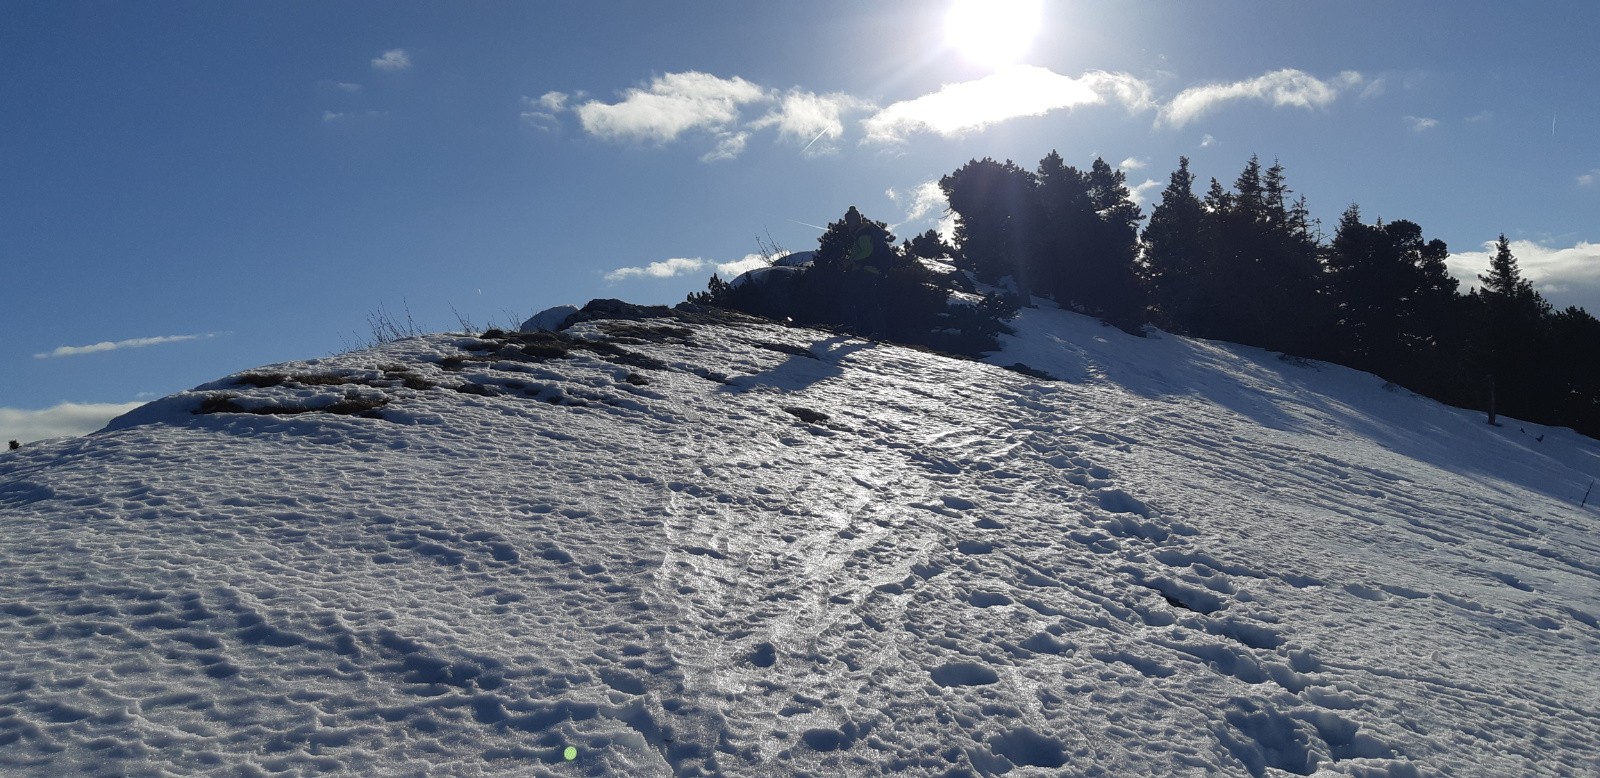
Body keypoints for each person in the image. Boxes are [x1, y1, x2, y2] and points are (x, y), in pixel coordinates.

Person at [843, 206, 891, 275]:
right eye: (847, 222)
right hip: (866, 269)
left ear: (857, 221)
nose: (848, 224)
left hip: (869, 270)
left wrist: (851, 261)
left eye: (850, 221)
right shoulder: (859, 235)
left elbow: (867, 252)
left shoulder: (863, 234)